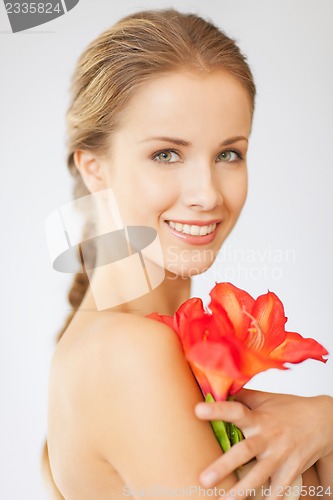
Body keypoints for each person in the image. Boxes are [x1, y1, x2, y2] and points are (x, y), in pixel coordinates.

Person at [42, 8, 332, 499]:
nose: (207, 193)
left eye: (228, 154)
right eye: (166, 154)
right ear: (95, 168)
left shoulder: (157, 342)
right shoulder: (128, 352)